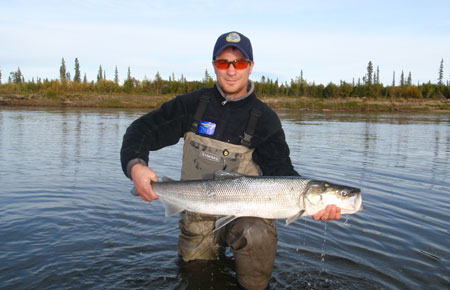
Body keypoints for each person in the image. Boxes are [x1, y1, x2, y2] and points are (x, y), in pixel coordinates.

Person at [120, 31, 341, 290]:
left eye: (240, 63)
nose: (231, 71)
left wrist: (317, 204)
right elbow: (141, 130)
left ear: (251, 67)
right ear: (214, 65)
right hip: (196, 212)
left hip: (245, 217)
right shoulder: (192, 105)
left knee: (255, 234)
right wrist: (136, 166)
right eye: (224, 63)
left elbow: (282, 170)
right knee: (196, 278)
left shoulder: (264, 118)